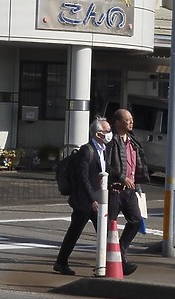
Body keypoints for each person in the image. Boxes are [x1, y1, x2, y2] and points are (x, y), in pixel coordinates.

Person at [53, 117, 112, 275]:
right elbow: (82, 178)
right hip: (84, 201)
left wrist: (121, 179)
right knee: (76, 231)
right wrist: (92, 199)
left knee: (102, 231)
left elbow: (107, 171)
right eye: (107, 131)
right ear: (99, 134)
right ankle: (61, 262)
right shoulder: (87, 150)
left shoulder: (103, 150)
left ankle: (115, 262)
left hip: (96, 199)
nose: (109, 134)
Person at [107, 107, 151, 276]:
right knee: (108, 224)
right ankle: (113, 259)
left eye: (131, 119)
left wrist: (138, 184)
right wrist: (120, 177)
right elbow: (106, 165)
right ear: (117, 123)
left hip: (130, 190)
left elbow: (137, 167)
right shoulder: (112, 141)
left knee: (135, 220)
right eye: (127, 120)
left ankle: (121, 251)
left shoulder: (133, 141)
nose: (131, 122)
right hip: (114, 189)